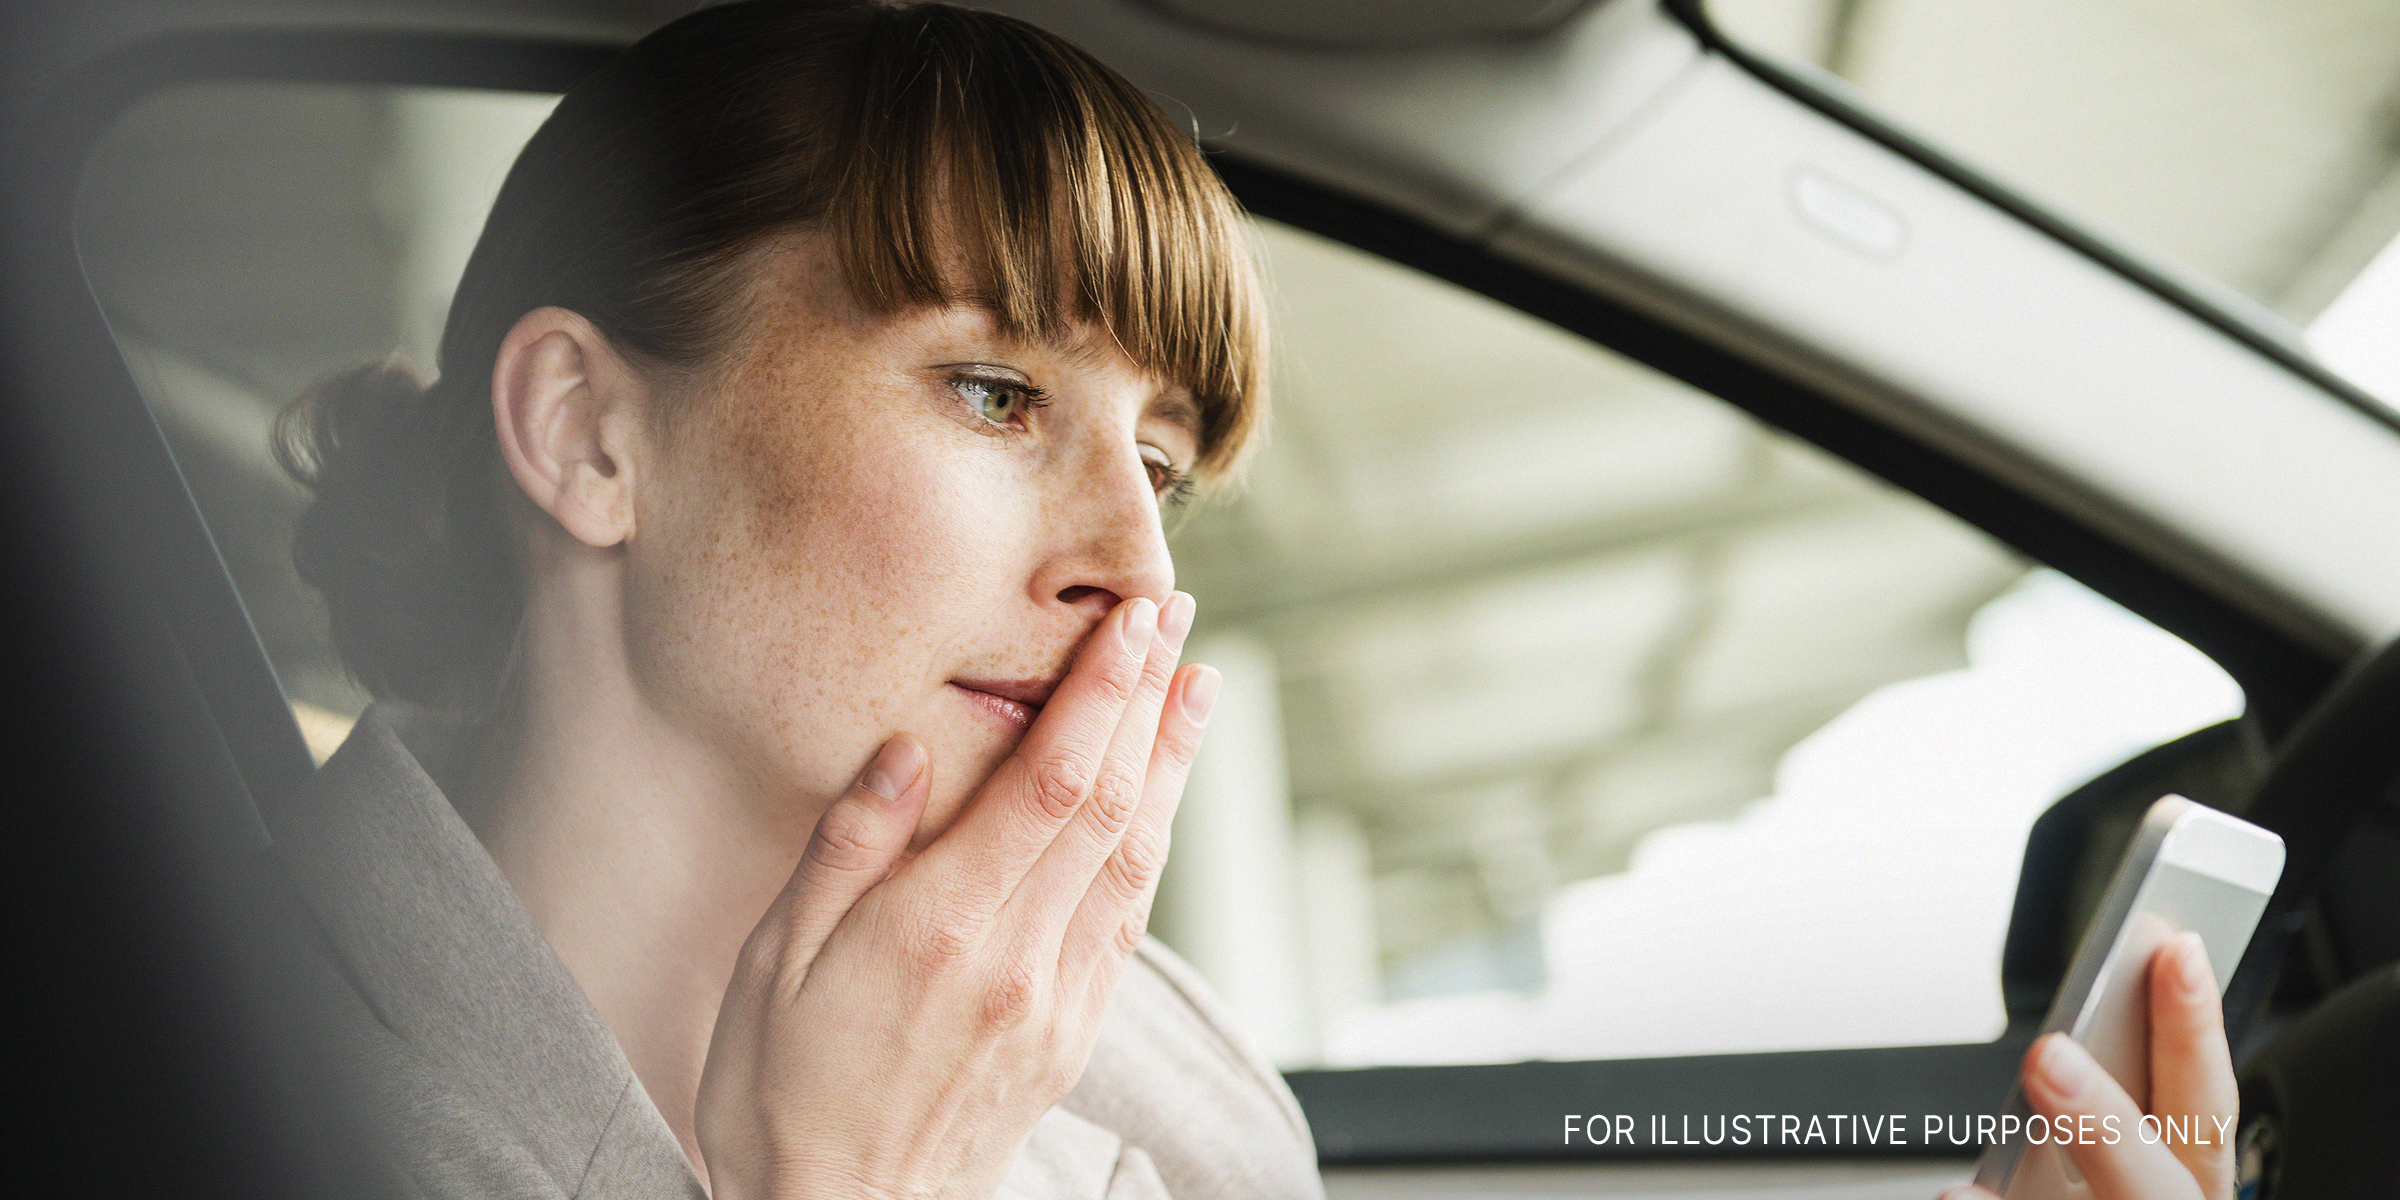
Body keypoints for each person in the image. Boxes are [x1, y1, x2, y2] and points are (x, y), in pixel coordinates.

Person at [266, 2, 2239, 1198]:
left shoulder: (1129, 1056)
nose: (1135, 571)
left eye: (1165, 462)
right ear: (589, 435)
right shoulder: (197, 1071)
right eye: (995, 389)